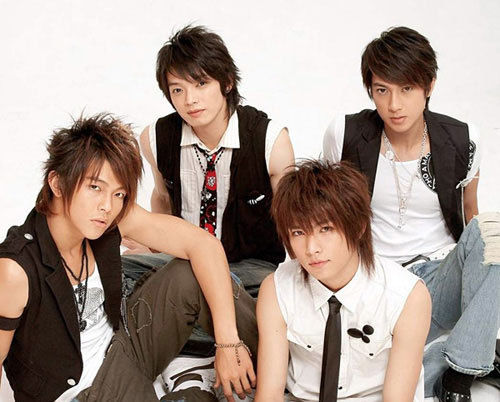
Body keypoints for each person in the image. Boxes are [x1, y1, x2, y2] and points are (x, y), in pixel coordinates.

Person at [0, 114, 257, 402]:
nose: (107, 206)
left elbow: (203, 244)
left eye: (119, 194)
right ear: (57, 184)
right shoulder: (14, 269)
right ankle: (193, 388)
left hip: (125, 350)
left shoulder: (108, 218)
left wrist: (228, 343)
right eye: (95, 187)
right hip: (81, 394)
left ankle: (281, 360)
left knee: (190, 274)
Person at [323, 26, 500, 401]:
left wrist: (484, 285)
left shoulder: (464, 139)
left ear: (429, 85)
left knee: (494, 231)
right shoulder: (346, 133)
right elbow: (328, 215)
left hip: (439, 277)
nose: (394, 105)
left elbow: (470, 215)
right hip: (374, 280)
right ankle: (460, 353)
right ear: (370, 89)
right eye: (382, 90)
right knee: (371, 367)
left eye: (407, 89)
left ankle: (461, 372)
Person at [122, 25, 294, 298]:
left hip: (249, 269)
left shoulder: (270, 141)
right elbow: (163, 199)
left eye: (201, 84)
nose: (190, 100)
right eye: (177, 90)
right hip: (182, 260)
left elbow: (294, 219)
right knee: (115, 269)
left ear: (227, 82)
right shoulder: (155, 138)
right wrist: (153, 248)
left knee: (223, 285)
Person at [255, 160, 431, 401]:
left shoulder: (406, 296)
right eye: (298, 232)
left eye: (325, 229)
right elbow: (270, 395)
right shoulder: (277, 289)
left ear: (358, 227)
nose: (311, 248)